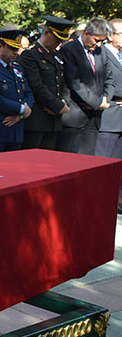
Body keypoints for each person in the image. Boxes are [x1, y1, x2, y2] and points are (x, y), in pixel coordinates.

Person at [57, 18, 114, 155]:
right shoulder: (69, 50)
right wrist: (96, 102)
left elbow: (109, 79)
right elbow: (74, 82)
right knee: (69, 162)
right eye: (96, 40)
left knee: (87, 162)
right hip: (75, 116)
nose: (99, 44)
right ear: (86, 34)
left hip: (94, 117)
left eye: (103, 41)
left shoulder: (102, 52)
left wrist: (104, 99)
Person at [19, 16, 73, 150]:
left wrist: (63, 101)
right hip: (37, 118)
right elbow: (36, 86)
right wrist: (57, 105)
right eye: (56, 38)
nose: (58, 42)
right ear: (46, 33)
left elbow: (62, 83)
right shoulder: (30, 56)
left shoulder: (56, 56)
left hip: (54, 119)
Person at [0, 29, 34, 152]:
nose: (16, 53)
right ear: (0, 46)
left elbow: (28, 93)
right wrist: (21, 109)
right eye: (12, 48)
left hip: (16, 130)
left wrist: (22, 113)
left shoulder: (17, 68)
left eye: (18, 49)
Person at [98, 19, 122, 212]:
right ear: (111, 35)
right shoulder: (103, 54)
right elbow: (107, 83)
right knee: (104, 165)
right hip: (109, 118)